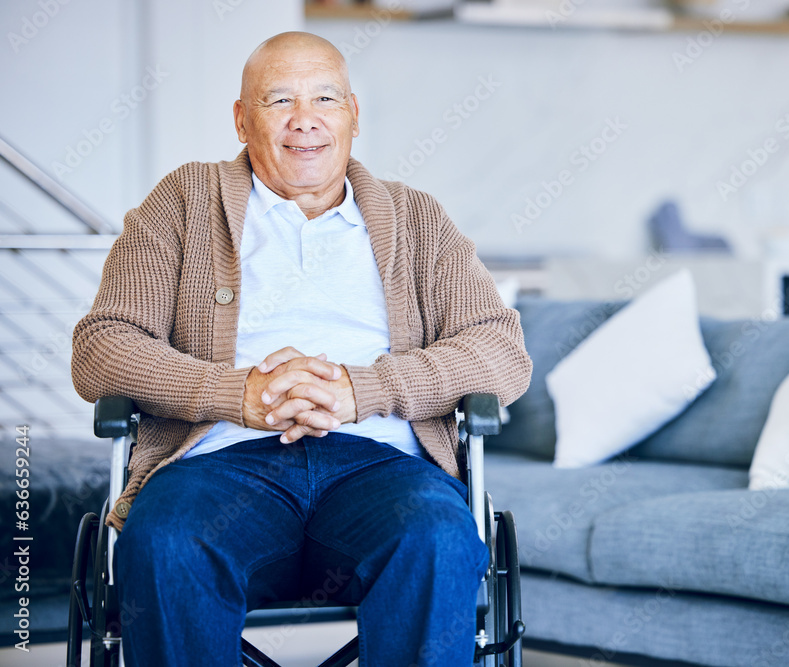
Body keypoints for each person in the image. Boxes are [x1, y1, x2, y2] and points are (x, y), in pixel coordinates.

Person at [71, 31, 531, 667]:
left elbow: (501, 349)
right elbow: (102, 346)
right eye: (279, 99)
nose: (305, 120)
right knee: (168, 540)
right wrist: (237, 396)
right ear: (240, 119)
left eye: (325, 98)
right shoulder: (183, 203)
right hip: (221, 467)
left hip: (382, 467)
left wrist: (359, 391)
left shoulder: (416, 217)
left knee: (437, 537)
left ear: (354, 115)